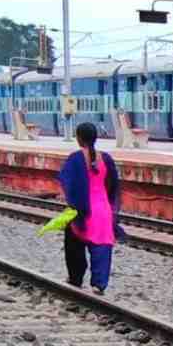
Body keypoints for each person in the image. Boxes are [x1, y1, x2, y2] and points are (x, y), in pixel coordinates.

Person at [57, 123, 123, 295]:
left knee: (74, 244)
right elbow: (113, 185)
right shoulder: (106, 159)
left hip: (83, 209)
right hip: (103, 210)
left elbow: (67, 183)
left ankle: (75, 278)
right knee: (102, 245)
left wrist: (73, 203)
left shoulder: (75, 158)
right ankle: (99, 284)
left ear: (79, 138)